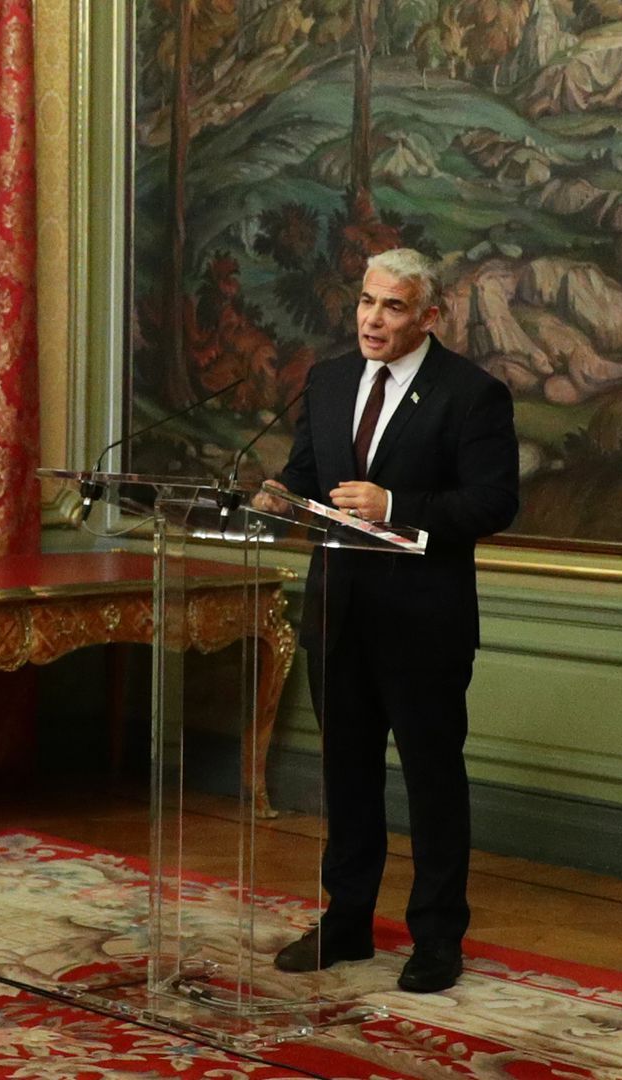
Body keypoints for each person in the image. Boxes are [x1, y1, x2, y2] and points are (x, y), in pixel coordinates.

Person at [255, 247, 519, 992]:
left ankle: (436, 936)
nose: (372, 319)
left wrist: (396, 506)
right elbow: (307, 476)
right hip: (338, 612)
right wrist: (278, 497)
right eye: (366, 301)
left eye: (393, 306)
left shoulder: (472, 394)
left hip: (423, 620)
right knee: (346, 773)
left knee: (432, 780)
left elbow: (493, 503)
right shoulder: (330, 379)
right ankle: (346, 920)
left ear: (429, 316)